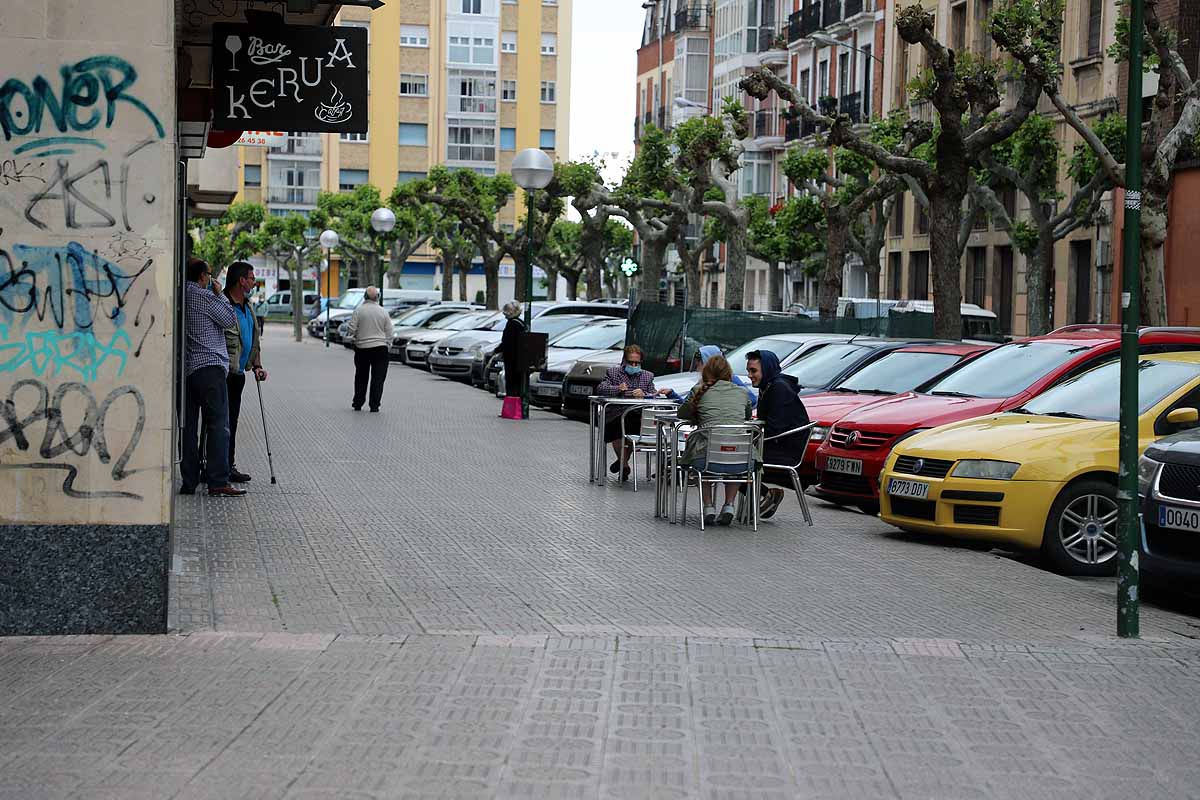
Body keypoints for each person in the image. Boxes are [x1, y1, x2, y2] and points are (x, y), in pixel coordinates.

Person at [181, 258, 246, 497]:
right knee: (219, 425)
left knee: (188, 427)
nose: (211, 278)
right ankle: (218, 481)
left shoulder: (182, 295)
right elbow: (229, 320)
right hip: (210, 367)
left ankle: (189, 481)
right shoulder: (205, 296)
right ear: (201, 276)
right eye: (209, 274)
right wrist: (220, 294)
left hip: (188, 369)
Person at [678, 354, 754, 526]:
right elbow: (747, 416)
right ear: (729, 373)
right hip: (742, 460)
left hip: (707, 459)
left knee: (704, 454)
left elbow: (682, 414)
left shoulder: (699, 390)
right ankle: (729, 506)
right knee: (733, 454)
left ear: (706, 372)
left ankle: (708, 507)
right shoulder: (742, 392)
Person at [746, 349, 811, 519]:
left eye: (753, 371)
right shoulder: (768, 386)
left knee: (735, 459)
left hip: (786, 449)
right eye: (748, 370)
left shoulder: (779, 389)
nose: (749, 375)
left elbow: (775, 428)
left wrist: (750, 435)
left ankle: (767, 495)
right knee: (732, 455)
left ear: (766, 369)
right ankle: (767, 495)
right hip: (776, 443)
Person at [222, 261, 268, 483]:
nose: (253, 282)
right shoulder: (223, 305)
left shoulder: (248, 306)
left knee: (232, 421)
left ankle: (227, 464)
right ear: (241, 281)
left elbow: (254, 339)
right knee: (221, 423)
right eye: (251, 278)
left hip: (238, 374)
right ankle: (218, 466)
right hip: (223, 373)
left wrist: (257, 366)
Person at [596, 344, 658, 481]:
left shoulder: (647, 376)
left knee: (633, 430)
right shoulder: (613, 373)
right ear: (624, 360)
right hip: (616, 414)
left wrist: (644, 394)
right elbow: (600, 389)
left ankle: (622, 462)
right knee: (617, 430)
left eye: (637, 363)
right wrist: (617, 388)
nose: (634, 365)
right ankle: (624, 464)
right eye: (631, 362)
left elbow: (654, 395)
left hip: (637, 415)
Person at [662, 345, 756, 408]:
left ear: (709, 363)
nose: (698, 368)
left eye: (699, 363)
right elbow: (687, 404)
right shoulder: (702, 382)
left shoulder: (732, 380)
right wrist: (671, 394)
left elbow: (752, 400)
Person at [347, 286, 394, 412]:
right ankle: (374, 405)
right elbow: (390, 332)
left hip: (362, 348)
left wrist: (355, 336)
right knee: (378, 378)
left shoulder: (359, 310)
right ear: (377, 297)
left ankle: (358, 403)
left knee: (361, 377)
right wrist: (388, 344)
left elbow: (351, 329)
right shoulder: (383, 312)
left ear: (364, 297)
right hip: (380, 348)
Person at [499, 301, 526, 418]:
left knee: (511, 384)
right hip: (519, 359)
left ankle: (512, 411)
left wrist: (497, 351)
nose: (504, 315)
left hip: (511, 359)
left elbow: (507, 342)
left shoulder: (511, 324)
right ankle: (518, 410)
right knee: (518, 383)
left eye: (506, 312)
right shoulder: (521, 323)